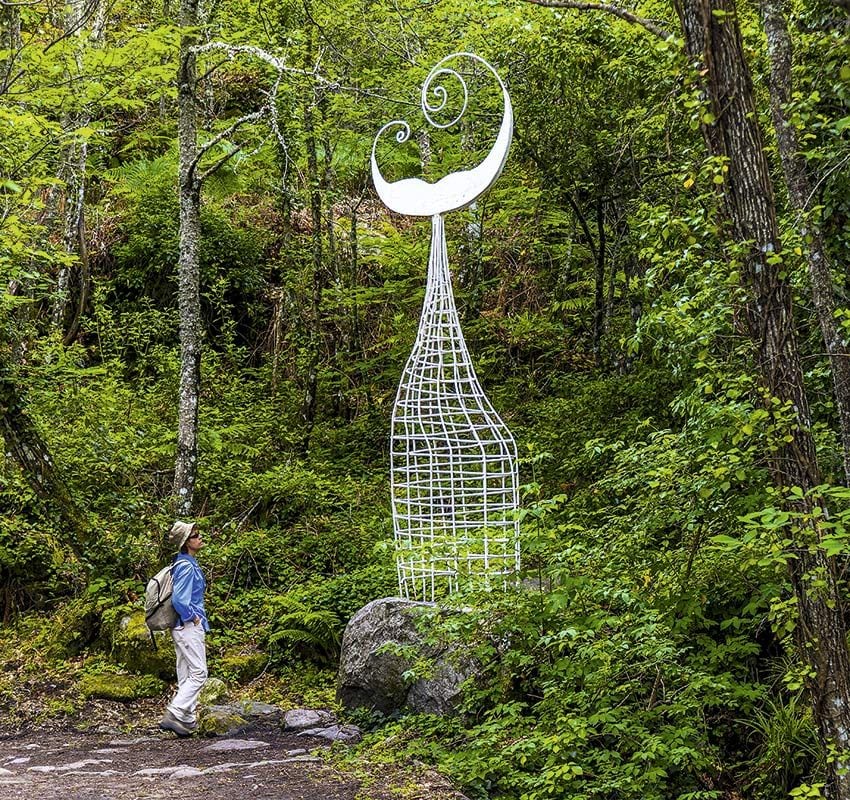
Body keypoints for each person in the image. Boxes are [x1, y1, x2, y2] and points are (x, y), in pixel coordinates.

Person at [159, 520, 209, 737]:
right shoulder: (187, 567)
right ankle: (175, 712)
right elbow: (180, 600)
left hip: (180, 627)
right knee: (199, 673)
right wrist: (194, 617)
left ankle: (186, 719)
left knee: (186, 673)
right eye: (195, 535)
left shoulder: (182, 563)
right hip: (188, 626)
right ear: (186, 543)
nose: (200, 538)